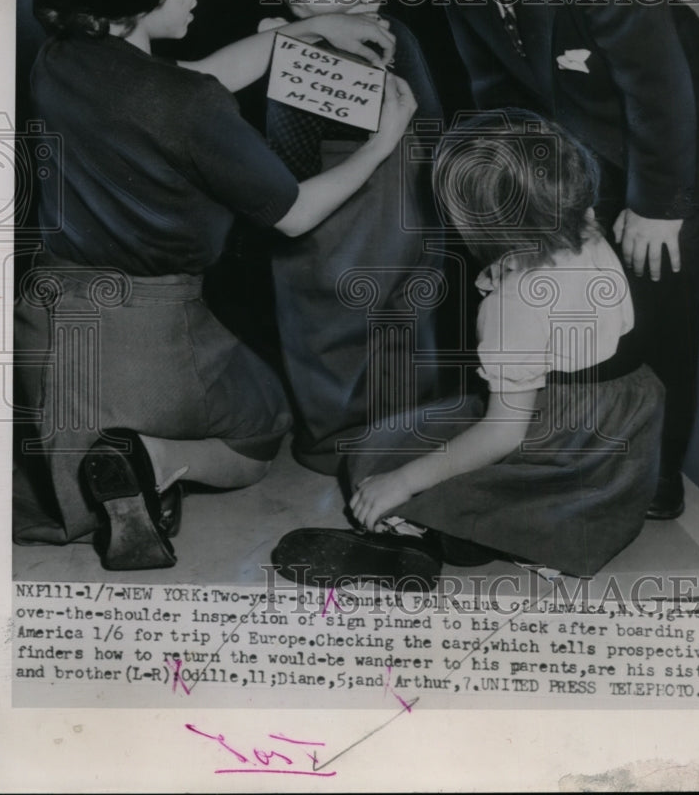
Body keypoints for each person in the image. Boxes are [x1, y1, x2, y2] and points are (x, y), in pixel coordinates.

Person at [14, 0, 417, 571]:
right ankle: (153, 457)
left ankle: (107, 460)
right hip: (151, 340)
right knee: (260, 432)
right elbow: (292, 214)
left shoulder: (60, 60)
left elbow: (180, 82)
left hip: (48, 329)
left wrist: (298, 33)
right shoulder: (191, 107)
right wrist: (382, 142)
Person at [382, 0, 699, 520]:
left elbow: (662, 96)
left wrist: (658, 208)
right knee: (562, 281)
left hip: (684, 143)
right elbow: (498, 99)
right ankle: (558, 443)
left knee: (654, 294)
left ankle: (655, 474)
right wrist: (519, 230)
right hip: (588, 136)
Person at [273, 110, 665, 585]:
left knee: (376, 455)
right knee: (424, 440)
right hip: (619, 431)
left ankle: (436, 533)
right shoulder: (586, 227)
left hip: (557, 435)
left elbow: (503, 434)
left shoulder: (511, 305)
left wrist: (404, 480)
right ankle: (486, 528)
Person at [260, 0, 445, 474]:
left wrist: (277, 51)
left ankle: (335, 440)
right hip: (411, 214)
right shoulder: (399, 34)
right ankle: (400, 434)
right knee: (401, 328)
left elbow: (285, 160)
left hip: (337, 219)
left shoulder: (308, 50)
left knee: (323, 328)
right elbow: (432, 121)